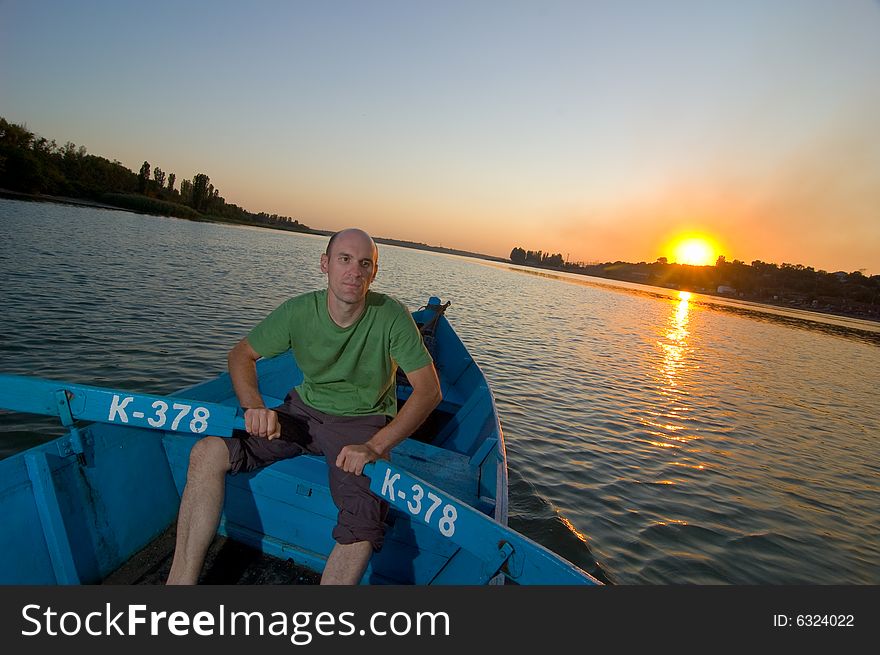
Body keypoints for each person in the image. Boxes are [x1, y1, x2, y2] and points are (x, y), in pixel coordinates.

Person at [166, 228, 442, 585]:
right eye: (344, 259)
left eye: (364, 264)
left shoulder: (391, 316)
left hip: (361, 424)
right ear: (325, 264)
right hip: (302, 412)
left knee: (363, 517)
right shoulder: (299, 312)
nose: (354, 272)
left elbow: (429, 391)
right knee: (206, 453)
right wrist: (254, 407)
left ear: (374, 273)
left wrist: (376, 446)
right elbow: (241, 355)